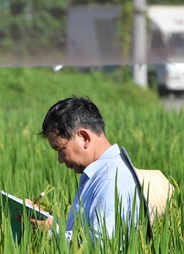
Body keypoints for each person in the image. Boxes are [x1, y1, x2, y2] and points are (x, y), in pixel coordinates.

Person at [27, 96, 141, 244]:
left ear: (84, 137)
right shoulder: (100, 174)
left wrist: (52, 232)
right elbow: (84, 231)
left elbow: (101, 248)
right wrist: (46, 220)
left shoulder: (110, 180)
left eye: (61, 149)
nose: (60, 160)